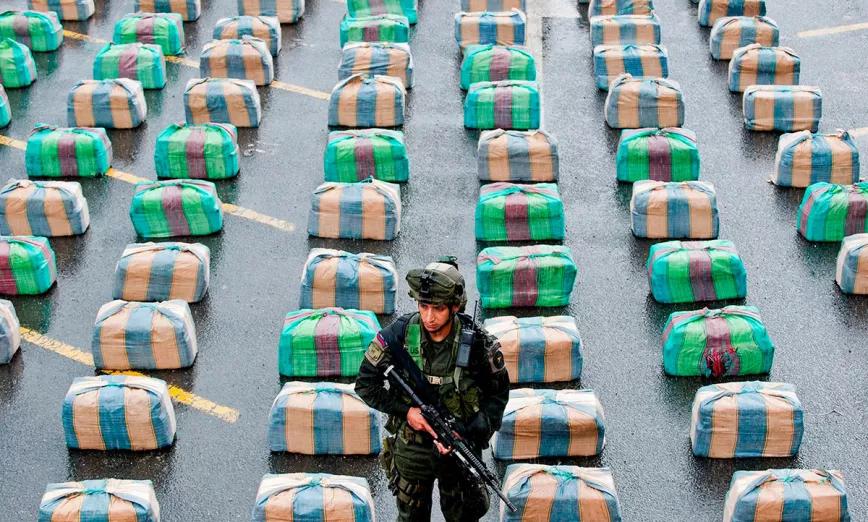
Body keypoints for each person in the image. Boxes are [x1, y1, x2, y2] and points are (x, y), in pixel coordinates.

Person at [355, 256, 510, 522]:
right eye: (423, 306)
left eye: (437, 308)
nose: (429, 317)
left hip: (459, 448)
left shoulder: (478, 345)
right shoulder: (399, 335)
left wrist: (469, 430)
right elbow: (366, 385)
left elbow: (498, 395)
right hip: (412, 450)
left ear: (454, 306)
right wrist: (407, 412)